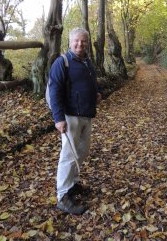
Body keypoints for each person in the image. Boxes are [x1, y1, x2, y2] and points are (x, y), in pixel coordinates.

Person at [48, 28, 102, 215]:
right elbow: (54, 91)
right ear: (70, 42)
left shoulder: (87, 62)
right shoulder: (62, 62)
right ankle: (63, 196)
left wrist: (96, 92)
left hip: (86, 114)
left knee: (82, 151)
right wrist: (58, 119)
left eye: (84, 41)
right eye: (77, 41)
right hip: (70, 117)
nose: (80, 44)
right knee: (69, 156)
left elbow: (90, 81)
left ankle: (73, 184)